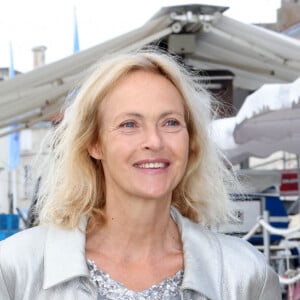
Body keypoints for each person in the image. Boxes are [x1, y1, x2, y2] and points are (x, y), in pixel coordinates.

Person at [0, 49, 281, 300]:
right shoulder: (15, 269)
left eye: (170, 122)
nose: (154, 141)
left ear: (191, 141)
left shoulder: (244, 275)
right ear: (94, 143)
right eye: (129, 124)